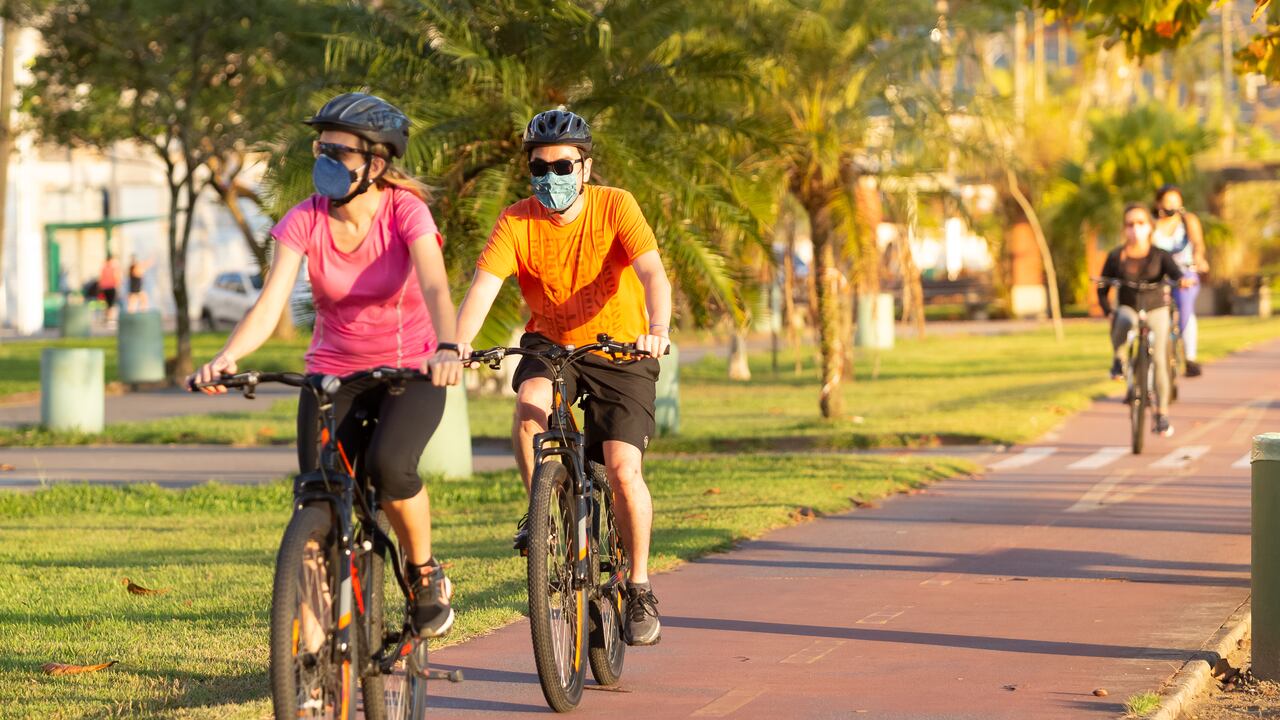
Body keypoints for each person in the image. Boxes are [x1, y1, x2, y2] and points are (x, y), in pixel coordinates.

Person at [188, 92, 463, 638]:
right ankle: (311, 655)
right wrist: (227, 356)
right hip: (332, 373)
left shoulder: (405, 211)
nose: (326, 161)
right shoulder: (304, 219)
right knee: (318, 492)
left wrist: (449, 348)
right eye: (322, 148)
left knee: (388, 468)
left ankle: (424, 571)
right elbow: (270, 303)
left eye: (340, 152)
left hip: (410, 371)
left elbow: (434, 282)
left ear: (376, 163)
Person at [454, 109, 672, 646]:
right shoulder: (516, 220)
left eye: (563, 165)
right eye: (539, 166)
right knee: (531, 405)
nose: (551, 175)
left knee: (622, 470)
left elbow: (652, 274)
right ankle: (543, 513)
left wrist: (658, 328)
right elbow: (482, 289)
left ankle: (639, 586)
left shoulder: (616, 206)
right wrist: (454, 343)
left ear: (586, 165)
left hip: (622, 350)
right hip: (552, 345)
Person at [1099, 203, 1190, 437]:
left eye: (1140, 223)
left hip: (1156, 309)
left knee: (1160, 357)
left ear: (1149, 227)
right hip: (1129, 307)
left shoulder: (1160, 255)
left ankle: (1161, 413)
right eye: (1130, 224)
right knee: (1122, 319)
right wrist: (1107, 309)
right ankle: (1119, 361)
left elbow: (1177, 275)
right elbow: (1103, 286)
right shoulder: (1116, 256)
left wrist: (1183, 281)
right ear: (1124, 228)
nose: (1135, 229)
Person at [1151, 184, 1208, 377]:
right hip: (1160, 276)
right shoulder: (1151, 224)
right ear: (1159, 203)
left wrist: (1199, 260)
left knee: (1185, 306)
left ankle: (1190, 358)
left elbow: (1198, 245)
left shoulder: (1188, 221)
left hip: (1185, 274)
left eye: (1176, 201)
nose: (1173, 205)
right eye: (1168, 201)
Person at [98, 254, 120, 323]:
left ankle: (108, 318)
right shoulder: (112, 268)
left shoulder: (104, 268)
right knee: (110, 304)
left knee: (109, 304)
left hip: (107, 287)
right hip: (109, 288)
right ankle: (109, 318)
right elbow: (116, 278)